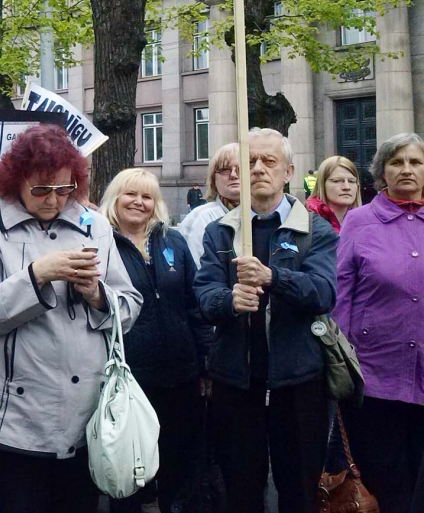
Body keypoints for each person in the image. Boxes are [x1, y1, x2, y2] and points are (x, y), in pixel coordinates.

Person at [0, 124, 141, 513]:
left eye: (64, 189)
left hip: (86, 414)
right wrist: (37, 274)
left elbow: (128, 306)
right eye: (41, 190)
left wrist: (96, 293)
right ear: (17, 181)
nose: (54, 201)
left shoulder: (94, 224)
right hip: (15, 416)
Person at [194, 128, 337, 513]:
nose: (257, 169)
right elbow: (205, 298)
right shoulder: (221, 230)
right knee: (241, 488)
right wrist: (230, 301)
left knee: (299, 488)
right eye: (250, 161)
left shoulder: (314, 229)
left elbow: (324, 293)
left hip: (298, 381)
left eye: (268, 161)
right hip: (237, 381)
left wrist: (273, 277)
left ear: (288, 171)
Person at [99, 168, 211, 513]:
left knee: (180, 468)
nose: (139, 202)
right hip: (131, 380)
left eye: (147, 196)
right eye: (130, 194)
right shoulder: (100, 243)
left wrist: (205, 363)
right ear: (115, 198)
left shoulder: (172, 241)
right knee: (132, 474)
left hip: (181, 375)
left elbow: (194, 305)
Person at [334, 132, 424, 512]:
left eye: (415, 162)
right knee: (387, 482)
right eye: (396, 162)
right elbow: (341, 293)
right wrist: (340, 360)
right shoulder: (360, 221)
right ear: (381, 172)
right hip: (375, 376)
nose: (406, 170)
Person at [177, 142, 240, 268]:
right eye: (225, 170)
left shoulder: (264, 215)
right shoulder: (201, 218)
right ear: (213, 179)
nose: (233, 175)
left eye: (241, 168)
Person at [306, 155, 361, 233]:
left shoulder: (367, 222)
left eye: (351, 181)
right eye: (337, 181)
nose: (347, 187)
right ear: (322, 184)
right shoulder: (306, 222)